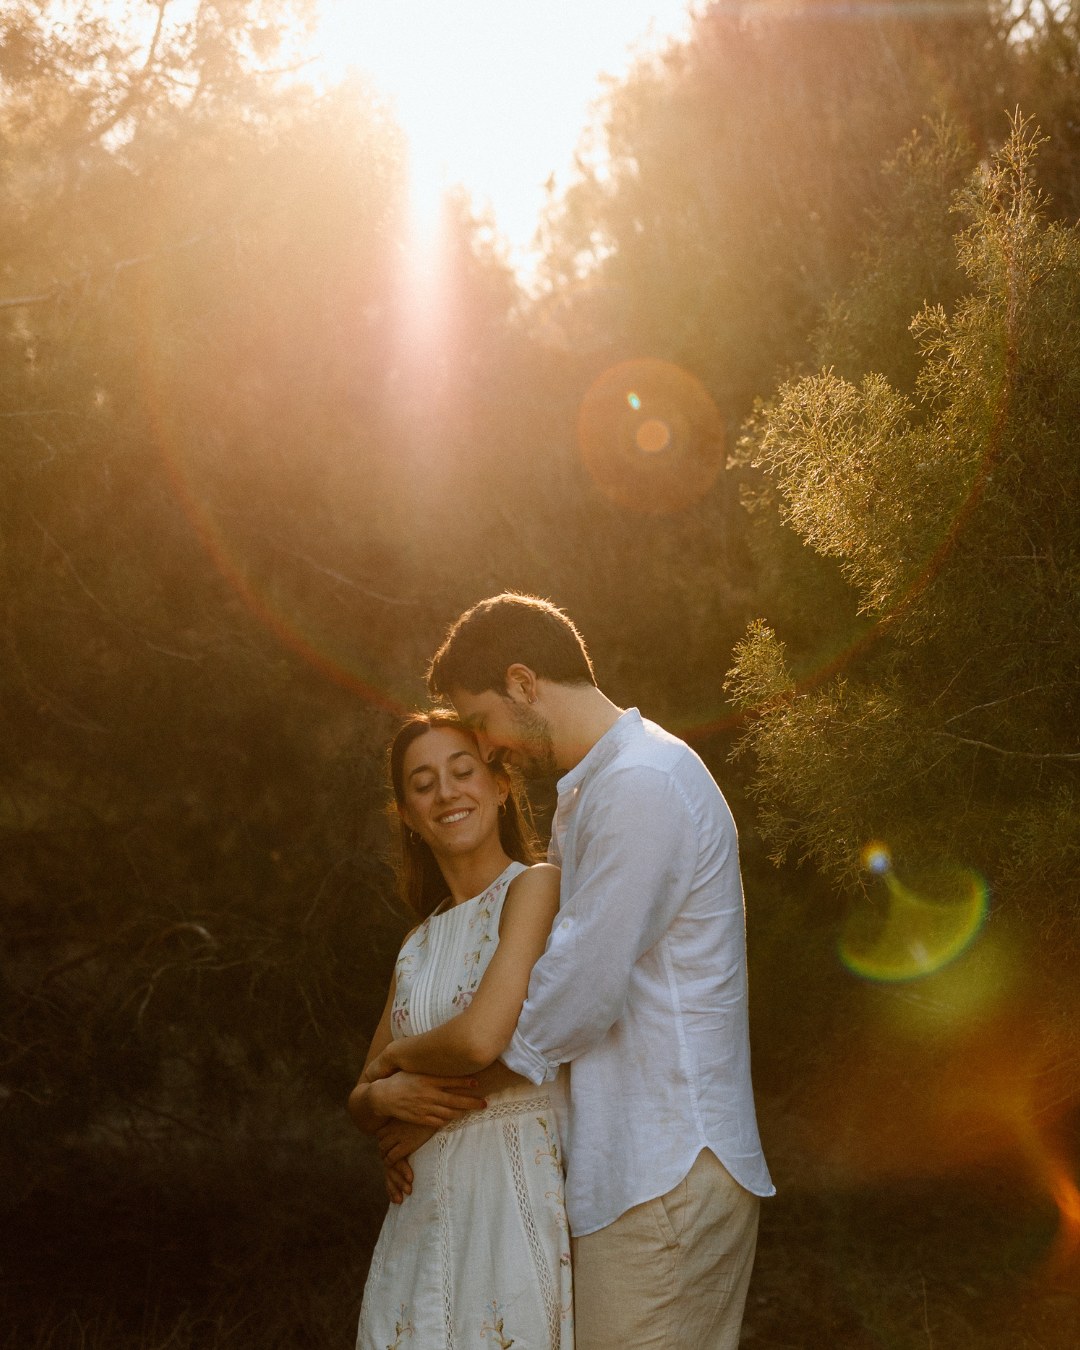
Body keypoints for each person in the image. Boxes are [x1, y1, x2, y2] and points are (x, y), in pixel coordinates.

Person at [365, 593, 774, 1350]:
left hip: (666, 1164)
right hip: (635, 1168)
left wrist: (432, 1103)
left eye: (482, 724)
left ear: (524, 684)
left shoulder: (641, 783)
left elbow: (577, 997)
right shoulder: (595, 792)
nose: (490, 751)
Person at [348, 710, 574, 1350]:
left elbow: (482, 1040)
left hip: (508, 1191)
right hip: (417, 1215)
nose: (446, 792)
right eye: (423, 784)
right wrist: (378, 1098)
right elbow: (360, 1099)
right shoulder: (416, 945)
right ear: (409, 816)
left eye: (462, 771)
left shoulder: (535, 889)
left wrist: (392, 1070)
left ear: (500, 786)